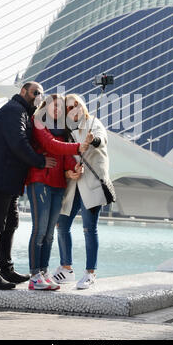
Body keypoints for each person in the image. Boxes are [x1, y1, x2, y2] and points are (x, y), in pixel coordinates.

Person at [0, 81, 57, 290]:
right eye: (34, 92)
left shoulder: (24, 113)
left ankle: (6, 269)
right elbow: (18, 142)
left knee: (10, 223)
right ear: (22, 91)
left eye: (40, 94)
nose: (38, 96)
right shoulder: (14, 110)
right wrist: (40, 161)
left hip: (9, 179)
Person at [26, 94, 91, 290]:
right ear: (45, 106)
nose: (58, 110)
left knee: (49, 234)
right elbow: (50, 145)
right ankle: (34, 276)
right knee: (39, 230)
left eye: (61, 108)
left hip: (58, 183)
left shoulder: (62, 129)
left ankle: (44, 272)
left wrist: (74, 166)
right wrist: (79, 146)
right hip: (40, 181)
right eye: (55, 106)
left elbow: (64, 156)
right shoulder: (38, 123)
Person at [53, 93, 110, 289]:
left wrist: (92, 141)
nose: (74, 108)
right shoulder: (67, 130)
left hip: (91, 184)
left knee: (89, 229)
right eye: (69, 107)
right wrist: (69, 172)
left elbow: (101, 139)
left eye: (77, 104)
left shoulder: (93, 123)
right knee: (61, 225)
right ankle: (66, 268)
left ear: (83, 106)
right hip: (73, 185)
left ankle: (90, 273)